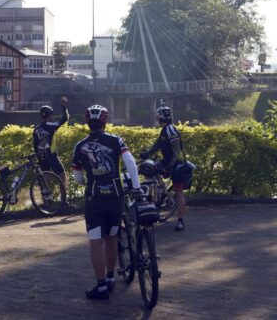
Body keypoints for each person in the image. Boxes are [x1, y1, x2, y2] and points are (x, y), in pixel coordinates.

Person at [72, 104, 142, 300]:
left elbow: (77, 176)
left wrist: (87, 178)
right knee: (112, 238)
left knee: (96, 242)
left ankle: (101, 286)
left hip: (95, 198)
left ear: (87, 122)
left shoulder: (79, 146)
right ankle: (111, 278)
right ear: (106, 121)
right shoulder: (116, 140)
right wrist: (136, 187)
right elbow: (130, 163)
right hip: (115, 197)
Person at [140, 106, 191, 232]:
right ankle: (154, 202)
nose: (157, 119)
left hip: (178, 164)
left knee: (178, 191)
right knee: (148, 171)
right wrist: (148, 153)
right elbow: (158, 144)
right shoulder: (164, 130)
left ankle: (180, 221)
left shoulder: (171, 131)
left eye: (158, 117)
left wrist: (169, 166)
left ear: (161, 118)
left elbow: (177, 152)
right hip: (168, 161)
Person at [33, 96, 69, 189]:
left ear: (41, 115)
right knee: (62, 176)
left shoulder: (36, 129)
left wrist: (39, 159)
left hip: (41, 156)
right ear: (50, 116)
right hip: (52, 154)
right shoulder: (52, 126)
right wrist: (64, 106)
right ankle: (64, 201)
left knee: (45, 177)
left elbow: (35, 145)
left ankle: (47, 201)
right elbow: (65, 118)